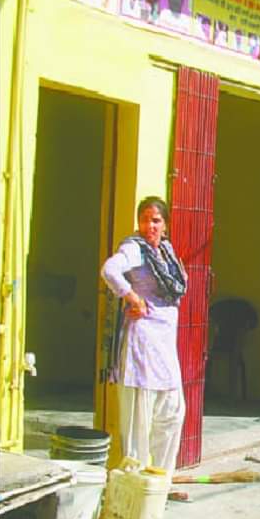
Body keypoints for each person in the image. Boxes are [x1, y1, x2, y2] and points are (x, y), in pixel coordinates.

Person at [100, 197, 188, 496]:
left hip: (164, 346)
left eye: (155, 220)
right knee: (139, 423)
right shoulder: (134, 248)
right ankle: (132, 494)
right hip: (141, 346)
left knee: (173, 414)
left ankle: (160, 484)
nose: (149, 226)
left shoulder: (166, 251)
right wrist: (132, 297)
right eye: (144, 219)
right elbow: (110, 270)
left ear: (165, 224)